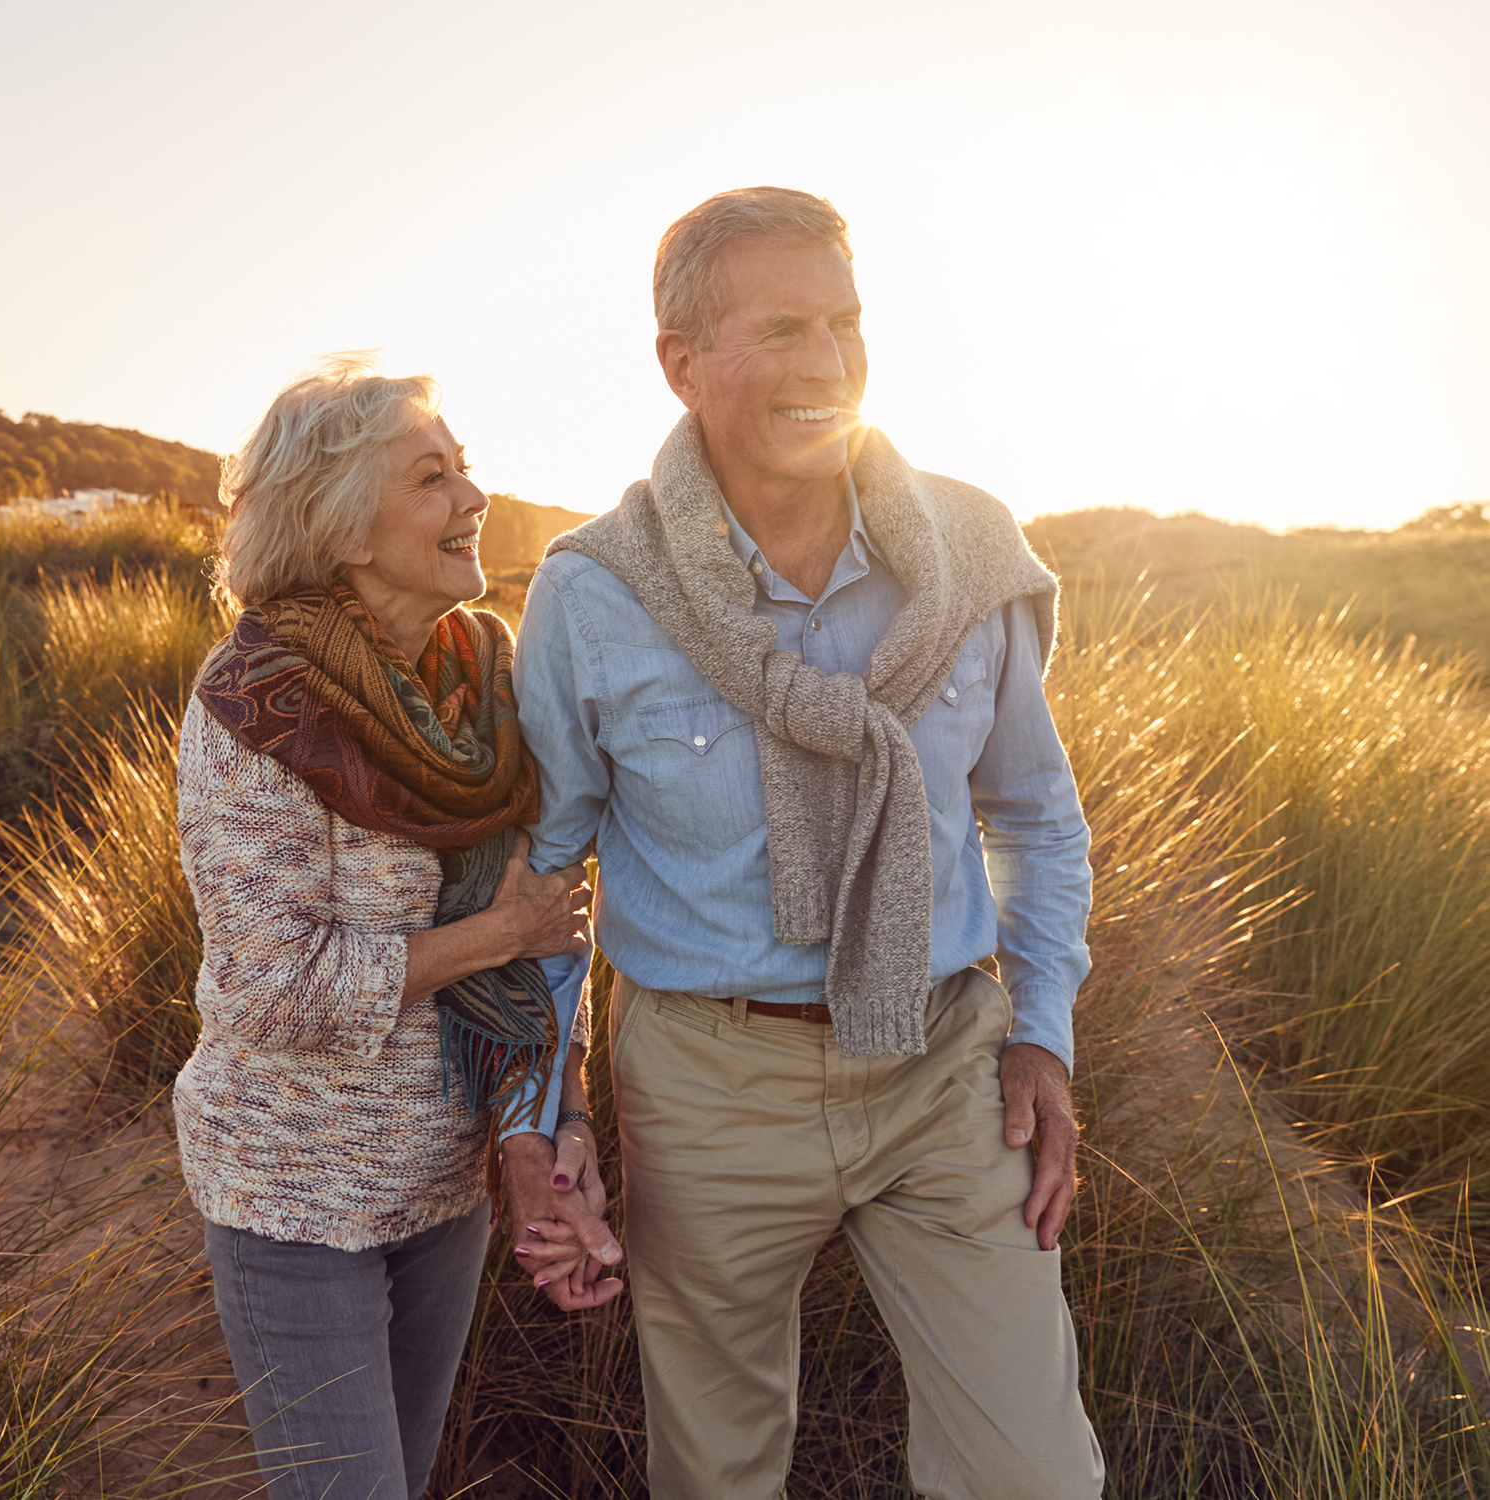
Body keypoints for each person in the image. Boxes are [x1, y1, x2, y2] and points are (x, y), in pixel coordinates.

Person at [512, 189, 1106, 1498]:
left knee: (1035, 1476)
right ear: (681, 363)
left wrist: (1043, 1027)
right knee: (715, 1473)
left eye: (845, 323)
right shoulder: (593, 593)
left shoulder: (968, 550)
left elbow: (1036, 818)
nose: (830, 364)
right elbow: (547, 882)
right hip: (707, 1087)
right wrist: (548, 1120)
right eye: (783, 328)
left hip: (945, 1064)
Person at [173, 356, 622, 1500]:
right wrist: (494, 936)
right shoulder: (254, 705)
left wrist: (554, 1120)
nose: (473, 497)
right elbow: (272, 989)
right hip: (293, 1193)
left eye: (464, 467)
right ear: (343, 531)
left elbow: (560, 926)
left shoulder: (488, 675)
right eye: (432, 477)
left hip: (445, 1182)